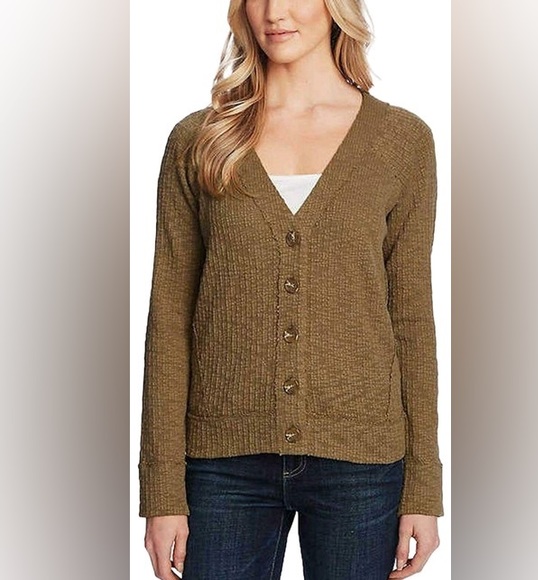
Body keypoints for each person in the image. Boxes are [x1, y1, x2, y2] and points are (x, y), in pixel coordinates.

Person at [138, 1, 444, 578]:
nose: (274, 12)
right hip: (222, 463)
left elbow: (411, 320)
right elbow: (170, 321)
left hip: (362, 462)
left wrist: (424, 488)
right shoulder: (199, 139)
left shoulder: (401, 141)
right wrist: (161, 489)